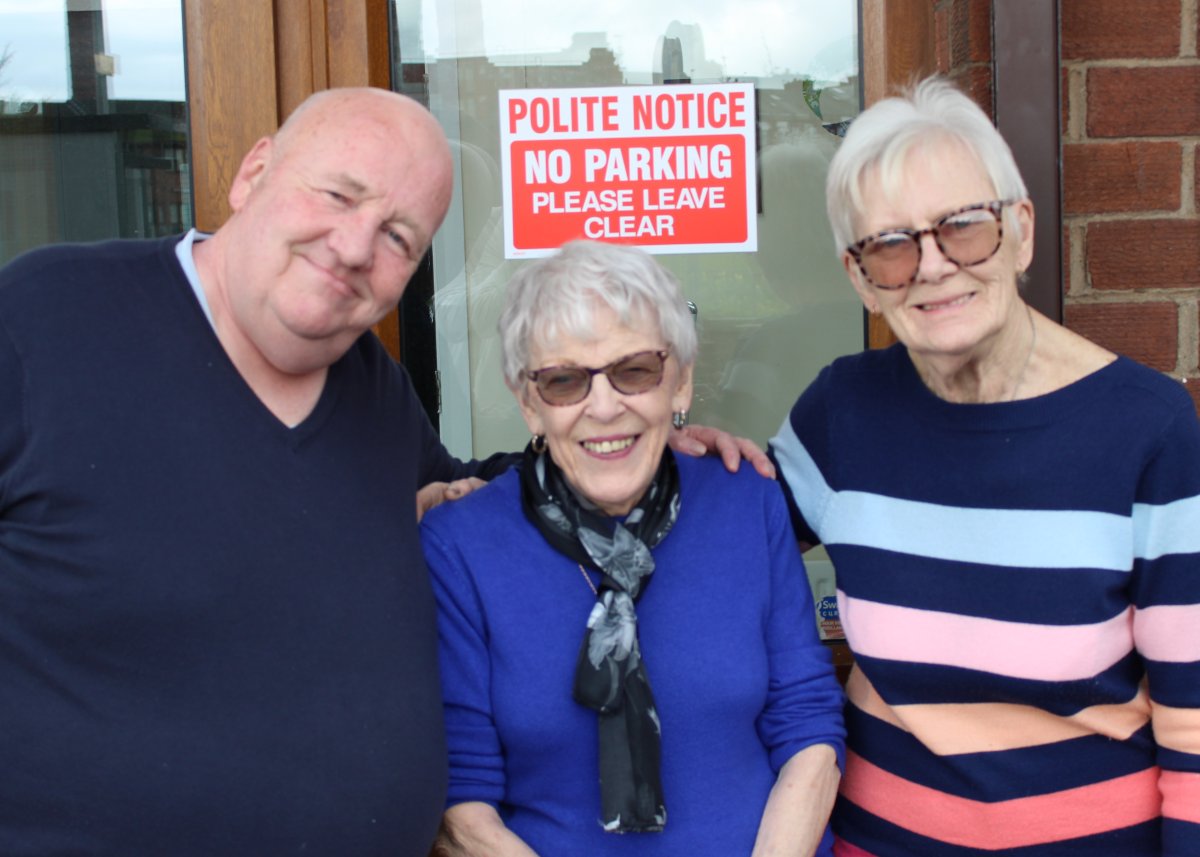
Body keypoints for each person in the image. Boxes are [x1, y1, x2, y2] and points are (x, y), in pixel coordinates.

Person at [0, 87, 766, 855]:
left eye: (400, 236)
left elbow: (483, 491)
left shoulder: (368, 387)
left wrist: (635, 436)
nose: (357, 244)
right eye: (338, 194)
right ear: (254, 172)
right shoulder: (48, 319)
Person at [769, 76, 1200, 855]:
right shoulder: (841, 414)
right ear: (860, 278)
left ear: (1022, 231)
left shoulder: (1147, 427)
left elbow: (1196, 718)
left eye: (964, 227)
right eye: (892, 246)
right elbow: (717, 545)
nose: (933, 266)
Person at [420, 239, 845, 857]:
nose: (604, 406)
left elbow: (807, 729)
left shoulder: (746, 506)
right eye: (564, 380)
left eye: (635, 370)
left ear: (681, 382)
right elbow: (463, 803)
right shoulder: (461, 546)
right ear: (527, 402)